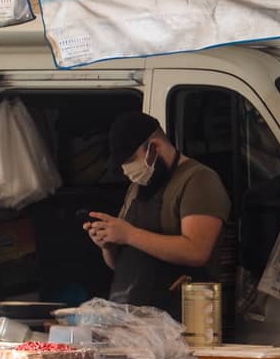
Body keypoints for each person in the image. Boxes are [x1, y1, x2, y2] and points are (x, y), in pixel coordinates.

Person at [84, 112, 229, 315]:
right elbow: (121, 265)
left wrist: (129, 234)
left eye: (131, 160)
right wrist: (108, 244)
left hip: (184, 318)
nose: (127, 170)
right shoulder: (137, 186)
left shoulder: (199, 179)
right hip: (132, 319)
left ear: (155, 147)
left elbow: (197, 251)